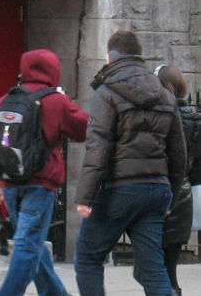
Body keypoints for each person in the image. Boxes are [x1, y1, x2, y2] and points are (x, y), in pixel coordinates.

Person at [74, 31, 186, 296]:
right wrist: (170, 195)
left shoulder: (107, 91)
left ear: (111, 56)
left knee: (88, 258)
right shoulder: (164, 94)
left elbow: (98, 145)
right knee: (153, 268)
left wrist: (85, 197)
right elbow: (178, 152)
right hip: (156, 189)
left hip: (120, 188)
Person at [0, 49, 88, 296]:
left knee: (32, 242)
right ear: (53, 70)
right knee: (28, 244)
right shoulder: (56, 101)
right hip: (41, 183)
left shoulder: (3, 102)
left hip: (9, 183)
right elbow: (82, 130)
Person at [154, 65, 199, 296]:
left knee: (153, 263)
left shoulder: (159, 116)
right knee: (170, 265)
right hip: (184, 193)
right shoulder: (195, 119)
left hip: (160, 189)